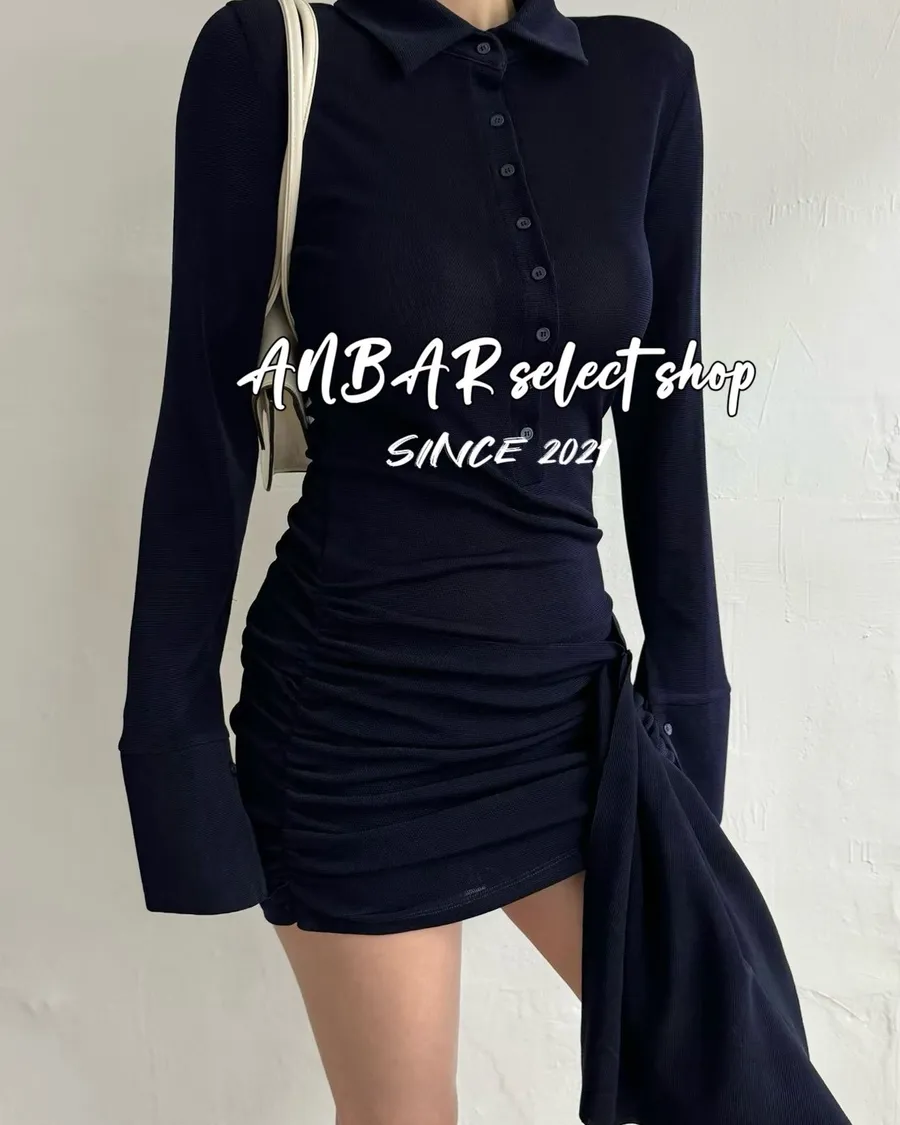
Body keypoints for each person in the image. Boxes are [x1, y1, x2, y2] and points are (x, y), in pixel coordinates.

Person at [117, 0, 853, 1121]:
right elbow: (205, 422)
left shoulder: (643, 75)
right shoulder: (273, 55)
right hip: (354, 722)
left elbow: (667, 423)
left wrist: (692, 705)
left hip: (577, 718)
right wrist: (173, 756)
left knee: (751, 1090)